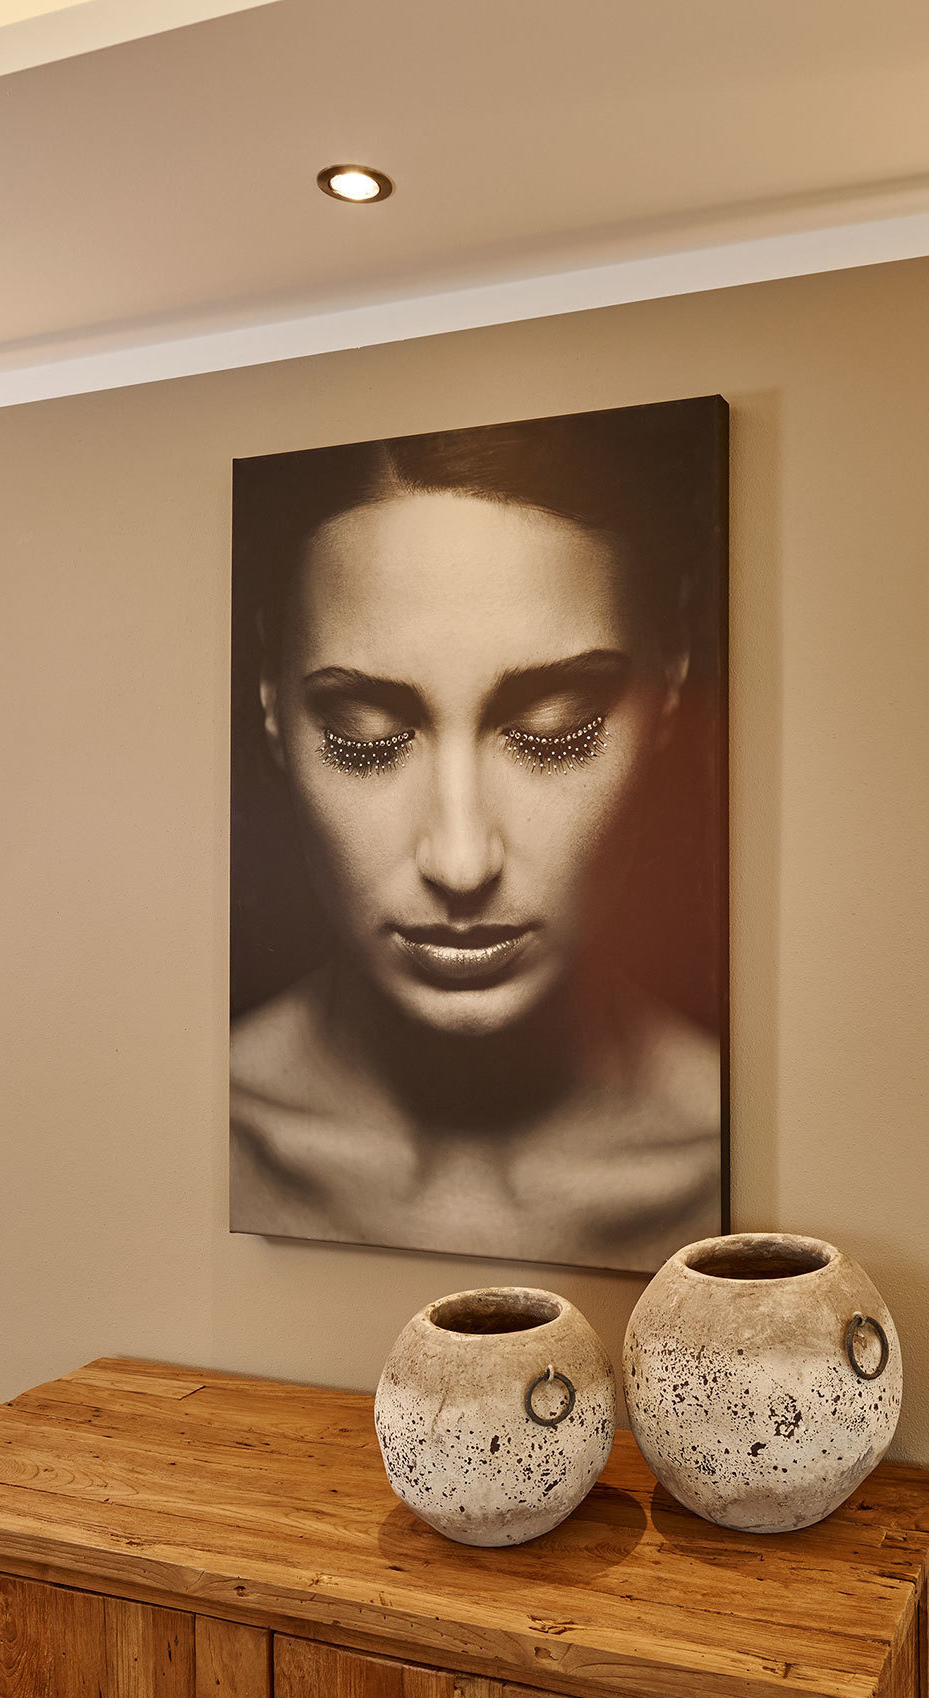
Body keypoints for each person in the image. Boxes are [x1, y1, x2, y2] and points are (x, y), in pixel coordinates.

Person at [229, 402, 726, 1269]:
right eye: (365, 737)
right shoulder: (185, 1139)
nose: (460, 863)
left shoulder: (767, 1174)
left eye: (555, 731)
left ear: (672, 677)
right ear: (271, 701)